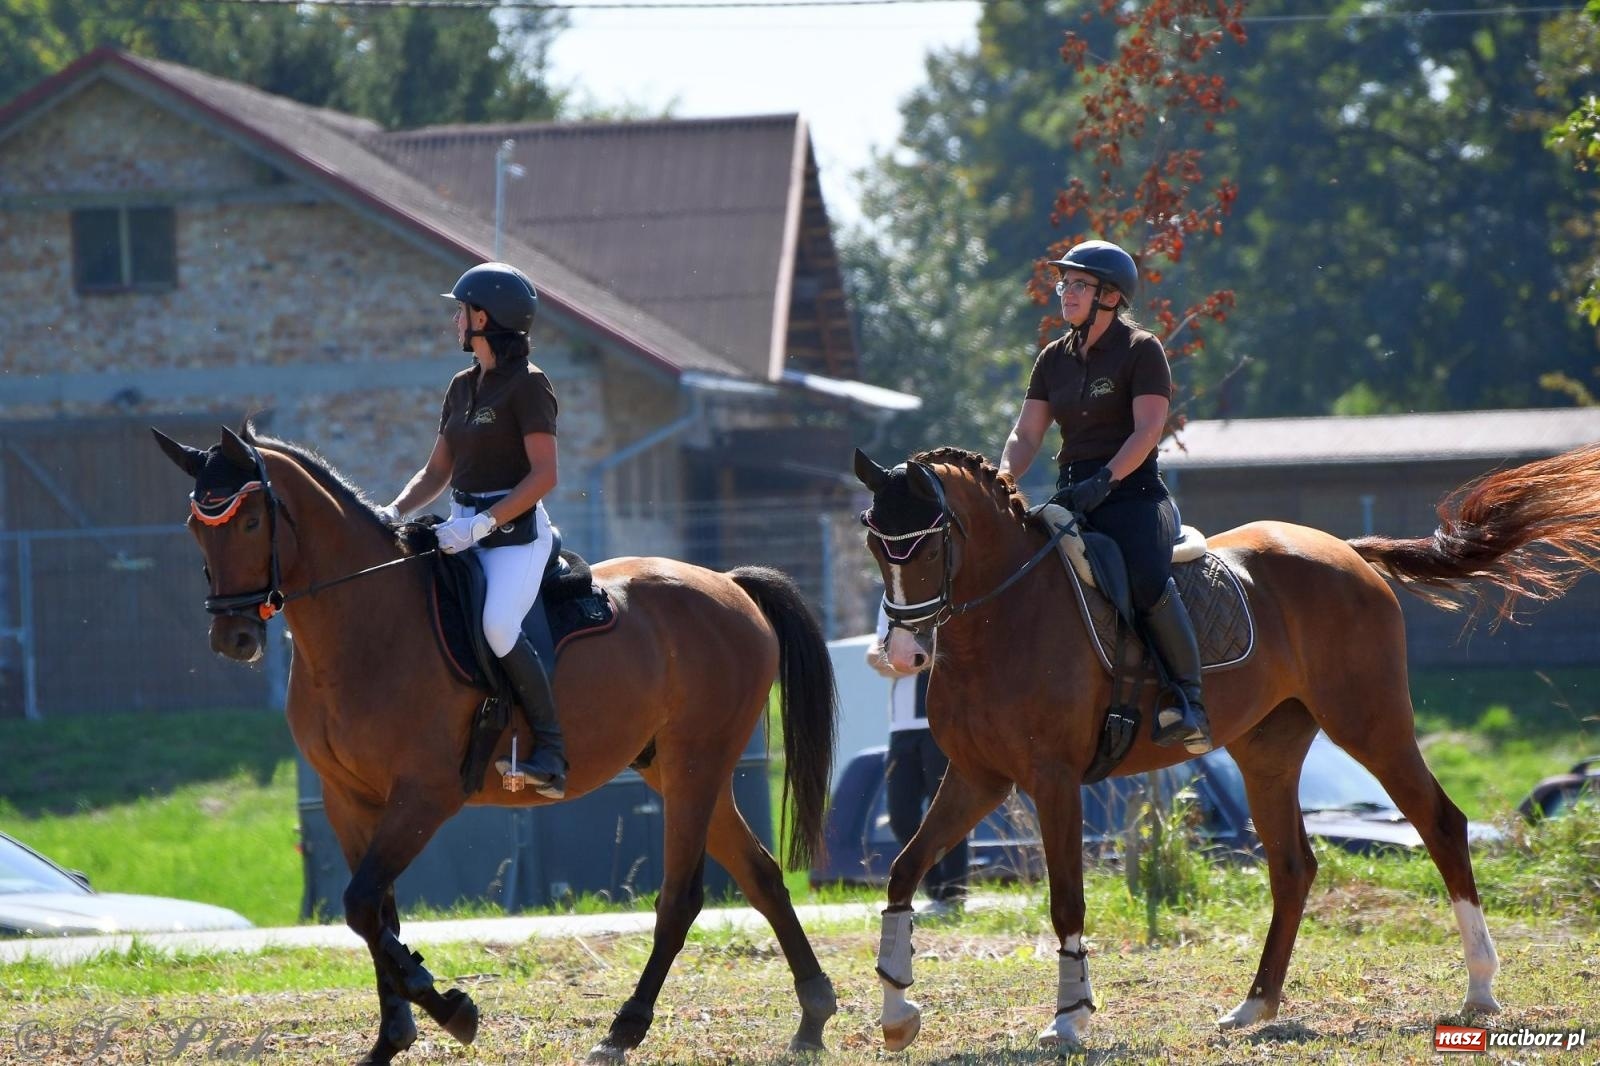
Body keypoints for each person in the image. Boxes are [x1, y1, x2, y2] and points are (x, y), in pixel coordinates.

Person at [996, 239, 1212, 754]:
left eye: (1078, 284)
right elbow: (1027, 436)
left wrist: (1105, 480)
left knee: (1142, 573)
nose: (1065, 293)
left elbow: (1148, 431)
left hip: (1135, 494)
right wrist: (1001, 478)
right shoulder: (1052, 359)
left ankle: (1189, 700)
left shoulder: (1142, 350)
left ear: (1110, 296)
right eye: (1063, 283)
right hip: (1074, 496)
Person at [378, 262, 568, 798]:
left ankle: (551, 752)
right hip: (462, 527)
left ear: (482, 318)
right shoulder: (462, 386)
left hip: (515, 538)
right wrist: (393, 512)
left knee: (498, 628)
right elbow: (437, 471)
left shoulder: (529, 386)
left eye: (460, 312)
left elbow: (545, 476)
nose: (454, 321)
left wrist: (484, 523)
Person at [867, 603, 969, 912]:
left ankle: (952, 894)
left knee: (948, 811)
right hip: (901, 727)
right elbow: (875, 655)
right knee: (900, 815)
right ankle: (935, 888)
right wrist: (912, 660)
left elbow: (950, 651)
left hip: (942, 722)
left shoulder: (943, 596)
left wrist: (910, 661)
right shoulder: (892, 600)